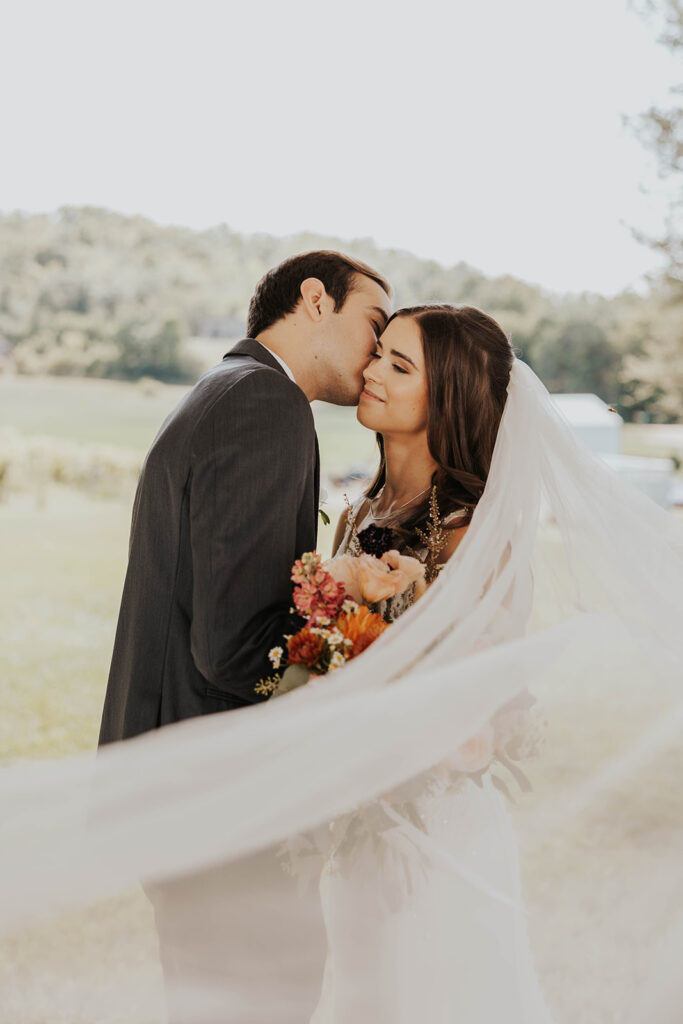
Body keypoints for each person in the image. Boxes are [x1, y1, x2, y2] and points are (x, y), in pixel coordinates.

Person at [2, 304, 682, 1024]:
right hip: (357, 842)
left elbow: (475, 728)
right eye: (377, 352)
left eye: (398, 364)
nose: (370, 371)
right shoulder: (361, 511)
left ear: (445, 395)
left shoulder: (472, 533)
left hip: (429, 841)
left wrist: (342, 710)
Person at [98, 250, 391, 744]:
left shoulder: (229, 386)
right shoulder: (266, 401)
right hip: (198, 765)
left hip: (156, 740)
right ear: (316, 300)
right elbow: (234, 648)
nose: (378, 350)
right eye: (374, 324)